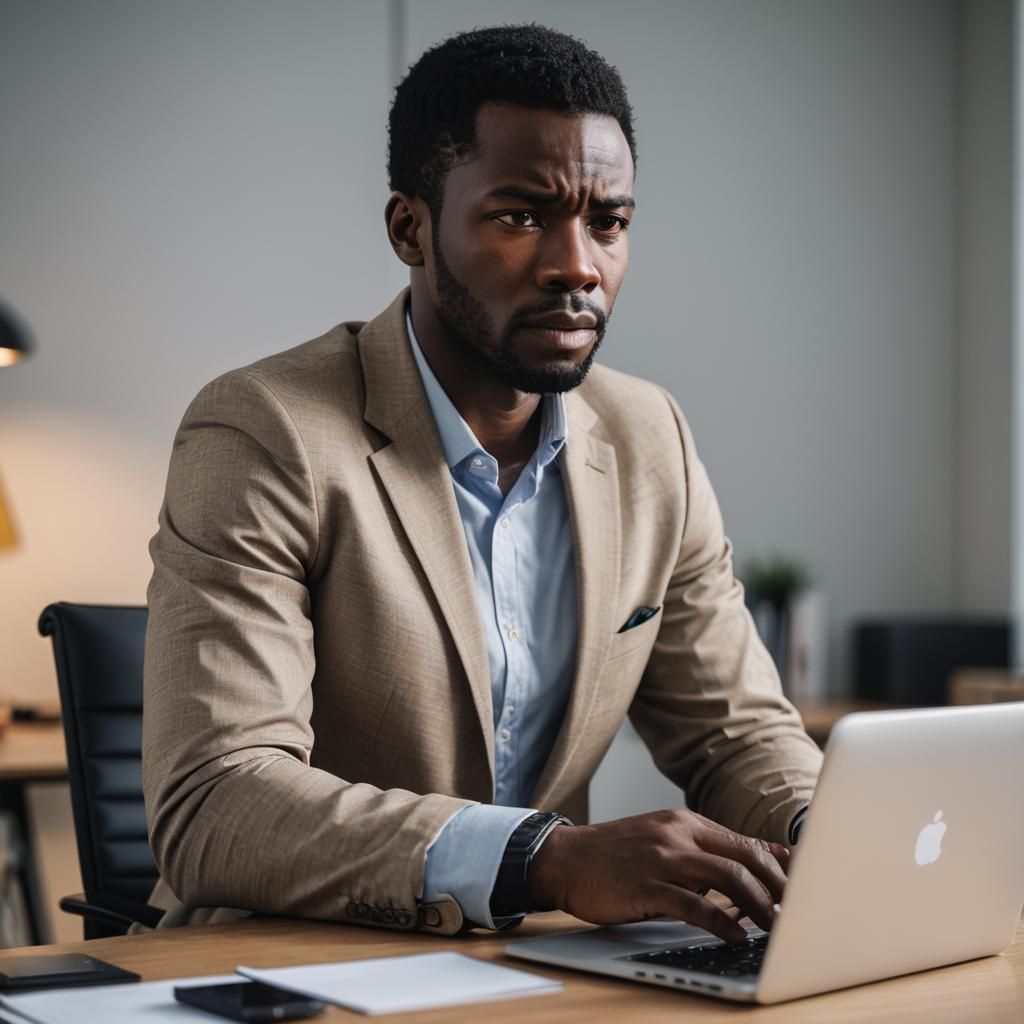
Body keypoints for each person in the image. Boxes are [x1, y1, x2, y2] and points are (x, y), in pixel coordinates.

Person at [142, 24, 822, 942]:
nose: (577, 264)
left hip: (537, 973)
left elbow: (735, 733)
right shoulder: (265, 431)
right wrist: (548, 858)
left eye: (607, 222)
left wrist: (826, 833)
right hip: (293, 962)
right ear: (409, 227)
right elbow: (216, 800)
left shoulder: (649, 437)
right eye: (521, 215)